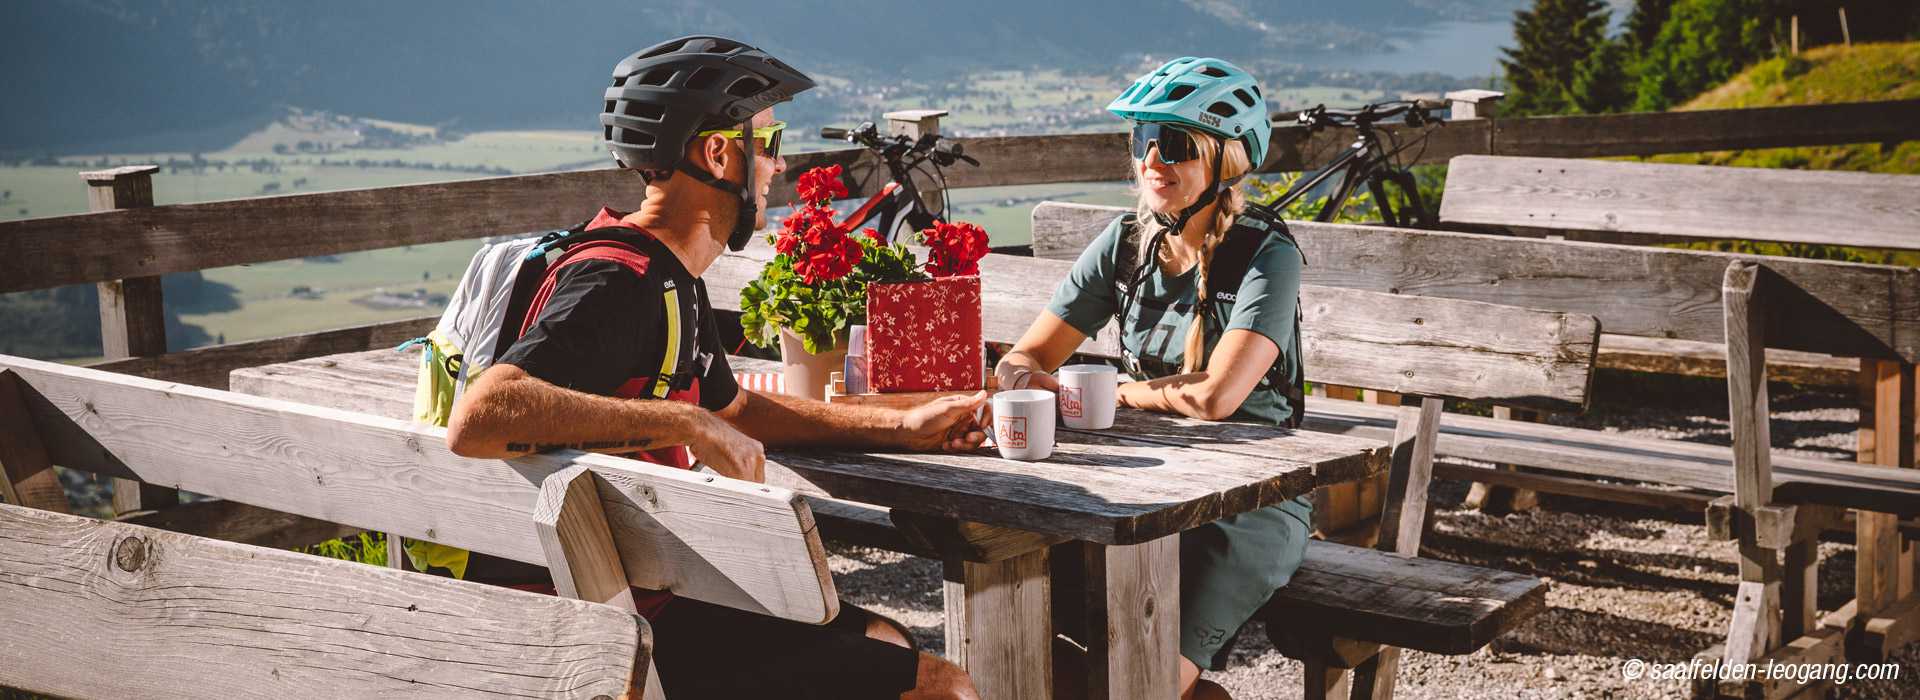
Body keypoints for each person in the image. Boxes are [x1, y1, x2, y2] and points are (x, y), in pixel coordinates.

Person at [445, 35, 983, 700]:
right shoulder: (620, 286)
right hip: (601, 631)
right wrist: (686, 424)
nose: (778, 167)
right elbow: (481, 417)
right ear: (719, 153)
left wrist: (901, 427)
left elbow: (738, 411)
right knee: (940, 687)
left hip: (626, 598)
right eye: (770, 140)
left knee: (883, 643)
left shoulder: (665, 278)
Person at [991, 56, 1307, 700]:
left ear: (1227, 162)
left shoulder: (1264, 253)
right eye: (1141, 140)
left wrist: (1111, 393)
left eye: (1176, 144)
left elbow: (1218, 395)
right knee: (1012, 636)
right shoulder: (1125, 242)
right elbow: (1024, 358)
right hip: (1142, 490)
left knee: (1136, 683)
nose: (1152, 160)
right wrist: (1023, 378)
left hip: (1247, 505)